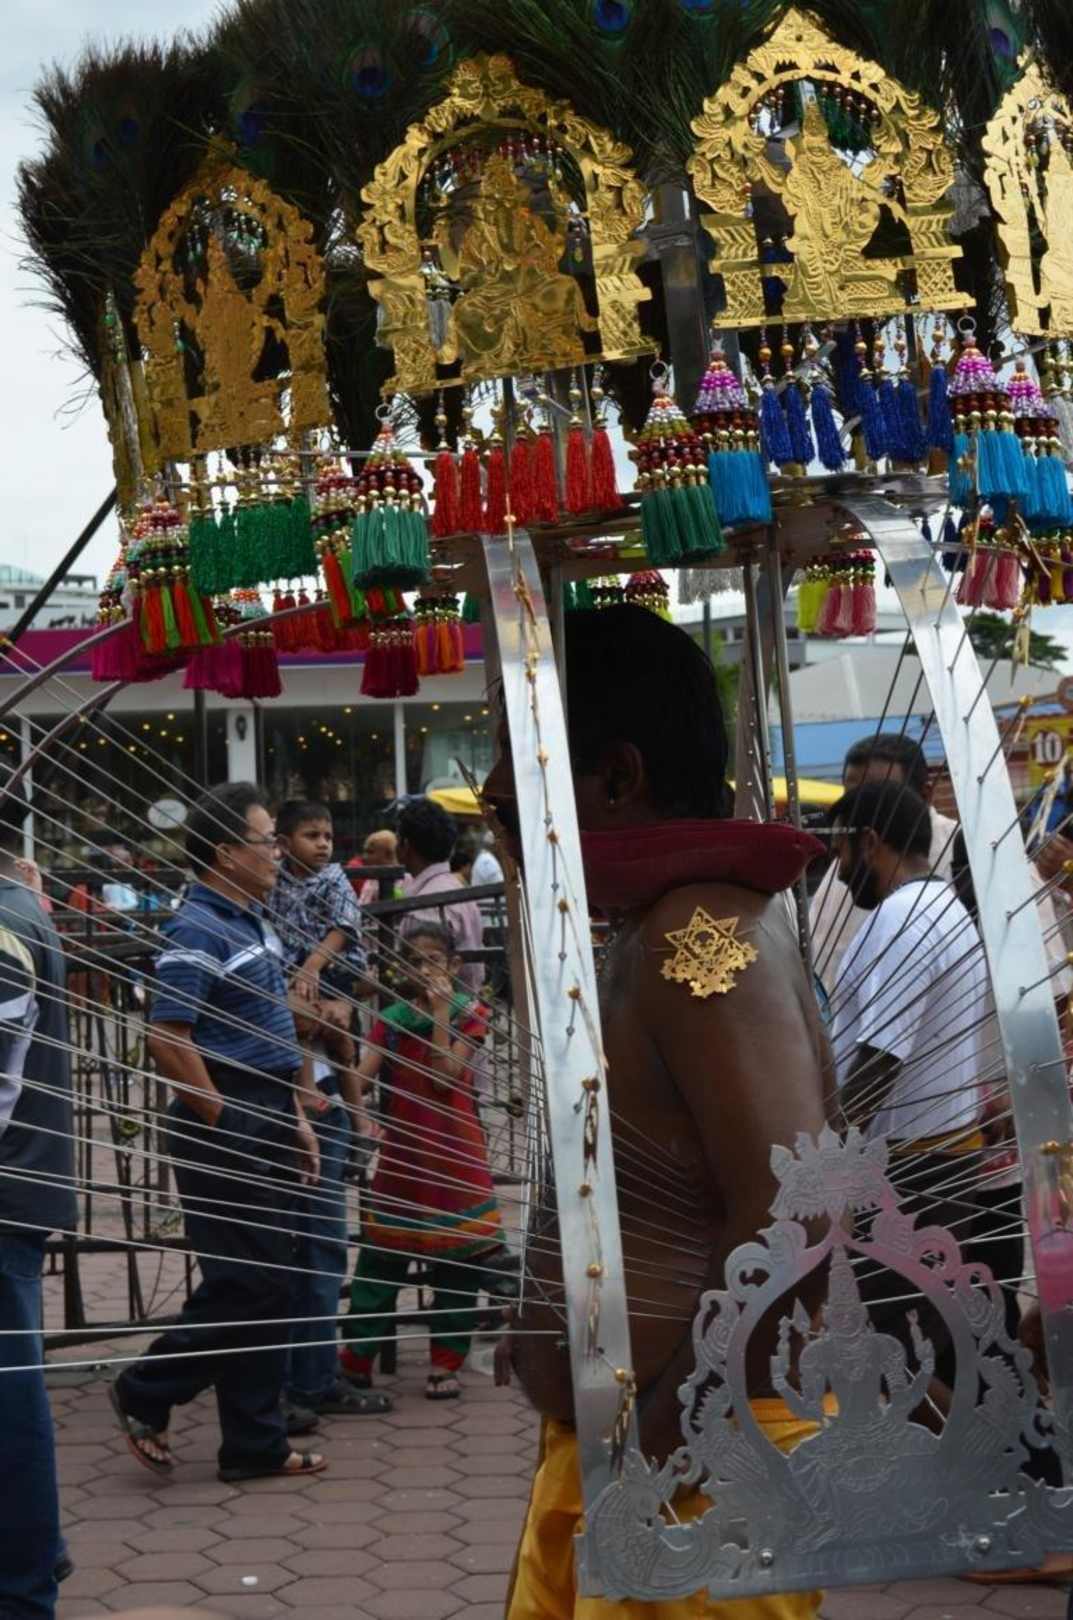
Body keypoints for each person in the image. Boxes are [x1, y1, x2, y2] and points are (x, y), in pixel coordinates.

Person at [482, 605, 830, 1620]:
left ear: (616, 777)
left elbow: (797, 1210)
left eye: (514, 759)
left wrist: (664, 1443)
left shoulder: (699, 934)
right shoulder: (663, 924)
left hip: (692, 1488)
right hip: (641, 1466)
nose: (495, 794)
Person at [110, 783, 326, 1483]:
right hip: (224, 1116)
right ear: (227, 852)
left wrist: (293, 1115)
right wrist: (228, 1122)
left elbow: (270, 1031)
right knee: (250, 1280)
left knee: (271, 1280)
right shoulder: (197, 928)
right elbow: (168, 1039)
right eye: (267, 841)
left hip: (266, 1108)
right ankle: (146, 1388)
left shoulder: (253, 921)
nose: (277, 853)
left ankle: (254, 1445)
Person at [829, 781, 989, 1392]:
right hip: (932, 1166)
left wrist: (827, 1167)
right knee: (905, 1353)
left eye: (842, 851)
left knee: (886, 1358)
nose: (839, 870)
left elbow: (879, 1059)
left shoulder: (903, 918)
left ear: (871, 842)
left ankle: (981, 1449)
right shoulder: (942, 908)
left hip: (908, 1175)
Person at [339, 922, 499, 1400]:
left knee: (459, 1265)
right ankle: (355, 1361)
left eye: (433, 960)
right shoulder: (391, 1018)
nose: (423, 969)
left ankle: (445, 1364)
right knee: (379, 1260)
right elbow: (360, 1080)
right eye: (413, 961)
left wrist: (440, 1012)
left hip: (455, 1153)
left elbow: (446, 1076)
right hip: (404, 1153)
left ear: (453, 965)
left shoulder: (471, 1012)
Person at [268, 799, 388, 1418]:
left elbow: (344, 933)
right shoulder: (265, 894)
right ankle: (294, 1381)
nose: (322, 844)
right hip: (292, 1086)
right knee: (304, 1242)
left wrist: (316, 973)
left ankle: (309, 1376)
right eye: (309, 835)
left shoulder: (335, 879)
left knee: (321, 1244)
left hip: (327, 1002)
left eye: (327, 834)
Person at [0, 770, 76, 1620]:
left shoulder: (5, 923)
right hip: (24, 1179)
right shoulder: (23, 906)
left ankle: (22, 1587)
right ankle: (34, 1555)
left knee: (10, 1395)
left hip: (7, 1188)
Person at [809, 733, 958, 996]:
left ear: (925, 795)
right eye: (852, 799)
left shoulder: (970, 853)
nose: (860, 813)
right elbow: (820, 969)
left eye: (878, 799)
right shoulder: (842, 869)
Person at [396, 798, 484, 992]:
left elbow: (423, 979)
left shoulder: (426, 904)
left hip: (442, 1007)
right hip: (467, 1002)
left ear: (405, 845)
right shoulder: (456, 888)